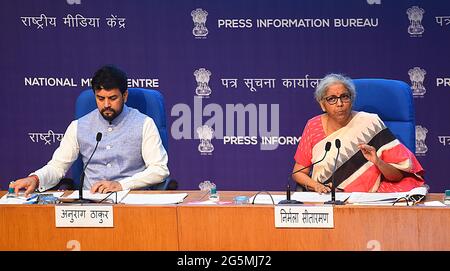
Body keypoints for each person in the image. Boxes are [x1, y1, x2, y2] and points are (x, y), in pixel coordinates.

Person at [10, 65, 169, 196]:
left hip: (131, 201)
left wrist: (121, 185)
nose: (106, 104)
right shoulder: (79, 126)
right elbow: (57, 167)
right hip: (89, 203)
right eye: (100, 98)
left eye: (112, 98)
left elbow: (159, 169)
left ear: (125, 96)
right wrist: (36, 179)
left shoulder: (144, 124)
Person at [292, 73, 425, 193]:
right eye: (332, 99)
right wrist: (316, 186)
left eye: (344, 97)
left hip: (368, 199)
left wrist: (378, 162)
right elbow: (298, 173)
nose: (339, 104)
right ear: (322, 104)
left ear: (352, 100)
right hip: (326, 197)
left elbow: (397, 176)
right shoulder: (313, 126)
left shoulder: (371, 123)